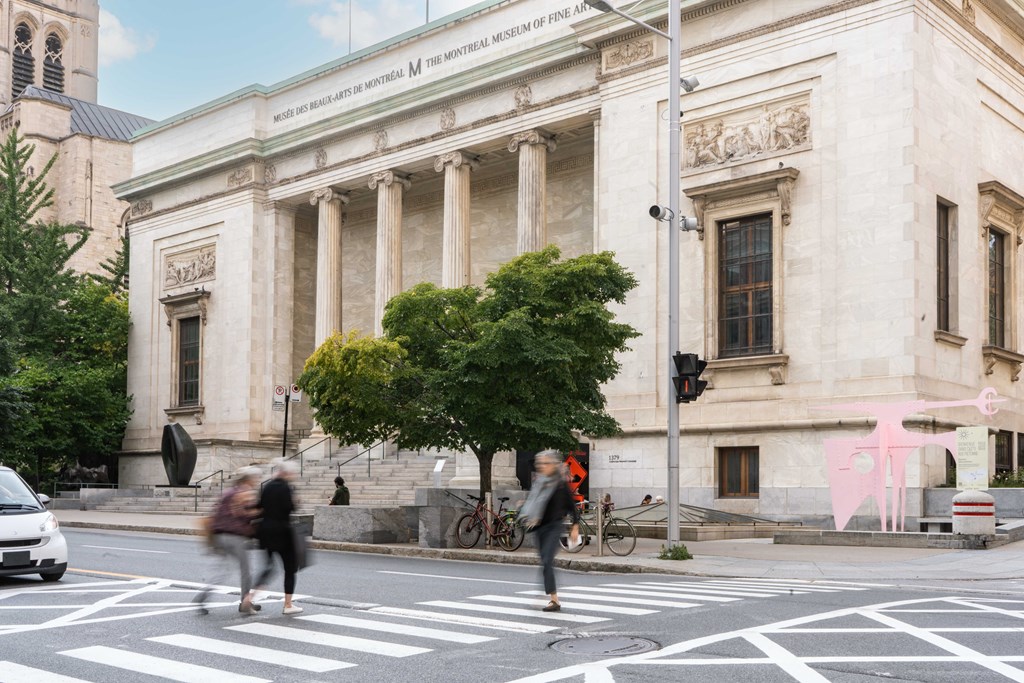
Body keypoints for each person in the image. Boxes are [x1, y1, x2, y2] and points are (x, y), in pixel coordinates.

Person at [195, 466, 262, 615]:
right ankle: (245, 603)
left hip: (219, 536)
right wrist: (261, 511)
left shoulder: (227, 492)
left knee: (221, 570)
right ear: (249, 479)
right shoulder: (244, 493)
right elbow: (245, 514)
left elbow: (216, 511)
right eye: (256, 479)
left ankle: (203, 597)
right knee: (246, 571)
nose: (257, 481)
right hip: (235, 537)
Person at [520, 450, 579, 613]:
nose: (541, 466)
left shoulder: (560, 484)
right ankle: (549, 595)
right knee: (545, 562)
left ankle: (554, 600)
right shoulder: (539, 482)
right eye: (539, 464)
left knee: (547, 560)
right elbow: (533, 502)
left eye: (545, 463)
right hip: (539, 527)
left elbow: (572, 507)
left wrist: (575, 526)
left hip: (554, 526)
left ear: (553, 465)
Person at [253, 459, 303, 614]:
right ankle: (288, 605)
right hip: (283, 532)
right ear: (287, 473)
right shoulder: (286, 488)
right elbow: (290, 508)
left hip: (265, 531)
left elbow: (259, 506)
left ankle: (250, 598)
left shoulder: (267, 486)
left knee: (268, 567)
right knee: (290, 568)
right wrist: (296, 501)